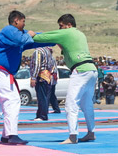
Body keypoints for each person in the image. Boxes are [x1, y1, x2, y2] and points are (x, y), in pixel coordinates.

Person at [0, 10, 53, 145]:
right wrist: (29, 34)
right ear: (16, 20)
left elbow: (32, 41)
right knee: (12, 100)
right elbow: (23, 39)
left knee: (9, 102)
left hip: (2, 73)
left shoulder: (18, 35)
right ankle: (11, 134)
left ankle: (6, 135)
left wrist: (52, 39)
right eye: (23, 21)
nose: (24, 24)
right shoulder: (9, 30)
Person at [32, 14, 98, 144]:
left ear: (68, 25)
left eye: (61, 26)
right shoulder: (80, 34)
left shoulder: (66, 33)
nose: (60, 28)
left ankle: (73, 136)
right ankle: (91, 133)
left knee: (70, 104)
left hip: (80, 71)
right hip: (91, 69)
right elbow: (69, 48)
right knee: (86, 104)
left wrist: (32, 34)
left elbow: (43, 37)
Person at [30, 47, 54, 121]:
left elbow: (37, 64)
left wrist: (33, 77)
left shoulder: (38, 51)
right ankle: (40, 114)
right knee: (44, 96)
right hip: (47, 75)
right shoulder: (48, 51)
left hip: (41, 75)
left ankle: (42, 115)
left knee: (41, 97)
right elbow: (52, 64)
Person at [48, 48, 61, 113]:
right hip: (52, 78)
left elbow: (51, 69)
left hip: (51, 78)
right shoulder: (51, 58)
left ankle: (46, 109)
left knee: (48, 94)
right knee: (51, 94)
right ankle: (56, 108)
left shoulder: (50, 58)